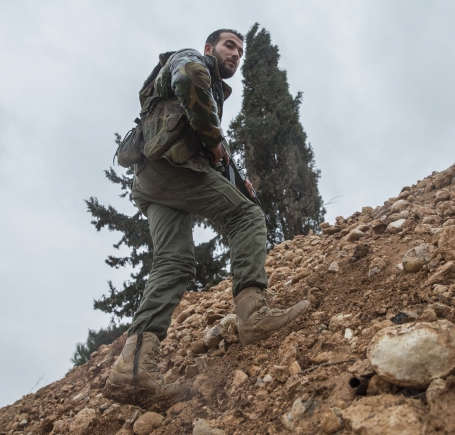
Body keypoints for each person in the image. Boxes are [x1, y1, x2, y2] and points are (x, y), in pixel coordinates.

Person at [105, 29, 309, 406]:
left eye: (240, 51)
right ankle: (254, 316)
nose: (236, 54)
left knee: (174, 263)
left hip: (152, 180)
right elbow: (188, 81)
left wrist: (231, 167)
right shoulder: (191, 61)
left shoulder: (210, 88)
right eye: (229, 46)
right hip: (169, 170)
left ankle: (131, 368)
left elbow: (203, 136)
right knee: (246, 217)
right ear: (209, 48)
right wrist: (216, 143)